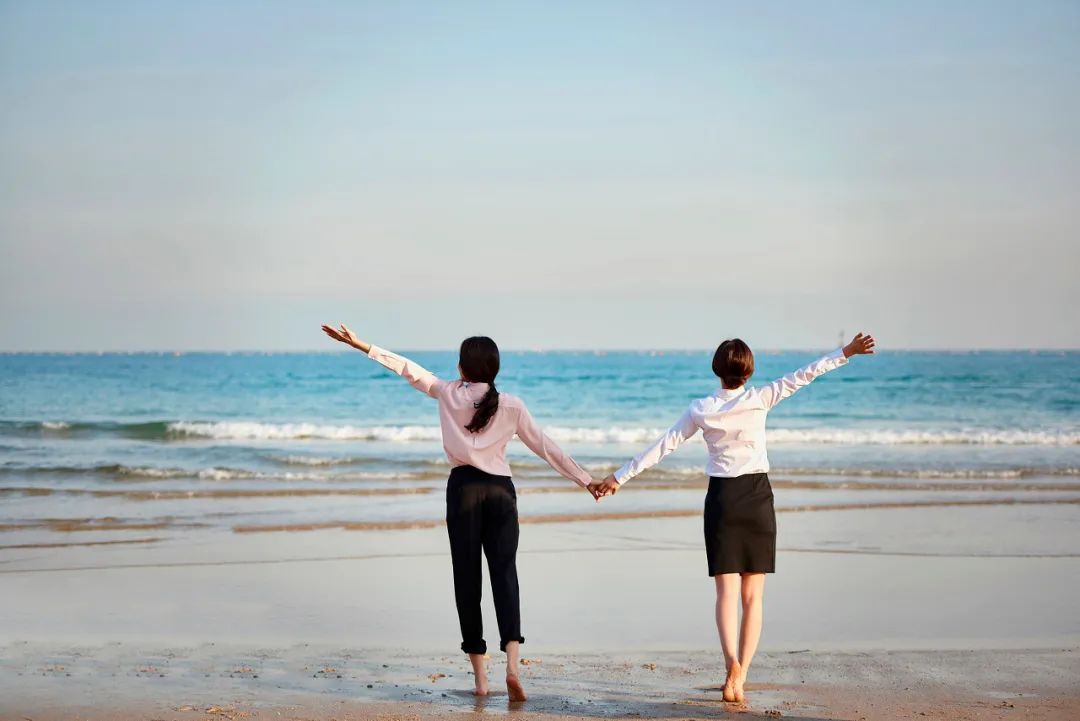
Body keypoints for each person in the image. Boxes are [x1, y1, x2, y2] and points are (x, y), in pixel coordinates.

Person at [590, 333, 876, 703]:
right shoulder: (761, 398)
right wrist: (846, 353)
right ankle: (743, 674)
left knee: (725, 594)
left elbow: (663, 446)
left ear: (717, 370)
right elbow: (805, 374)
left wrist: (618, 478)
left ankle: (731, 667)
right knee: (753, 596)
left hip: (723, 500)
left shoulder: (701, 408)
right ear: (749, 371)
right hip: (757, 498)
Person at [322, 324, 597, 702]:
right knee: (505, 576)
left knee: (467, 581)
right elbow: (545, 448)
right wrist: (586, 480)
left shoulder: (448, 393)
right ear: (494, 368)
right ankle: (513, 668)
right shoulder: (512, 404)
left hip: (463, 491)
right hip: (501, 494)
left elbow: (407, 368)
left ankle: (482, 680)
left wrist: (361, 345)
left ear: (463, 368)